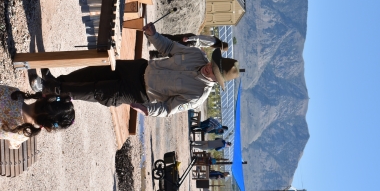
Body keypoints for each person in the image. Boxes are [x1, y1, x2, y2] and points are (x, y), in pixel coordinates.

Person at [33, 22, 241, 117]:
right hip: (137, 68)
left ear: (216, 80)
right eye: (212, 65)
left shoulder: (198, 95)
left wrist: (147, 109)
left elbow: (168, 108)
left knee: (97, 90)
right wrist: (153, 35)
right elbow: (168, 47)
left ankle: (53, 91)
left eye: (212, 71)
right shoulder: (197, 54)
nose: (208, 68)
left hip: (138, 92)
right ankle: (55, 82)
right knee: (95, 71)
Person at [149, 33, 228, 59]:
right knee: (173, 50)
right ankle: (154, 54)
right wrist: (189, 39)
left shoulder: (214, 41)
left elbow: (200, 40)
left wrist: (201, 49)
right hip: (191, 41)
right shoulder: (212, 42)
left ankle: (153, 36)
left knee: (172, 39)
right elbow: (199, 38)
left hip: (191, 40)